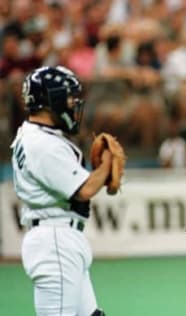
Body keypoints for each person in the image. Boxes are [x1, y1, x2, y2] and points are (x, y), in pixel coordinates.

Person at [10, 66, 111, 316]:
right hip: (54, 240)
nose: (73, 103)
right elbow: (84, 190)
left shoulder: (33, 134)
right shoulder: (43, 144)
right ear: (50, 99)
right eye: (67, 96)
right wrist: (108, 164)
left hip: (59, 238)